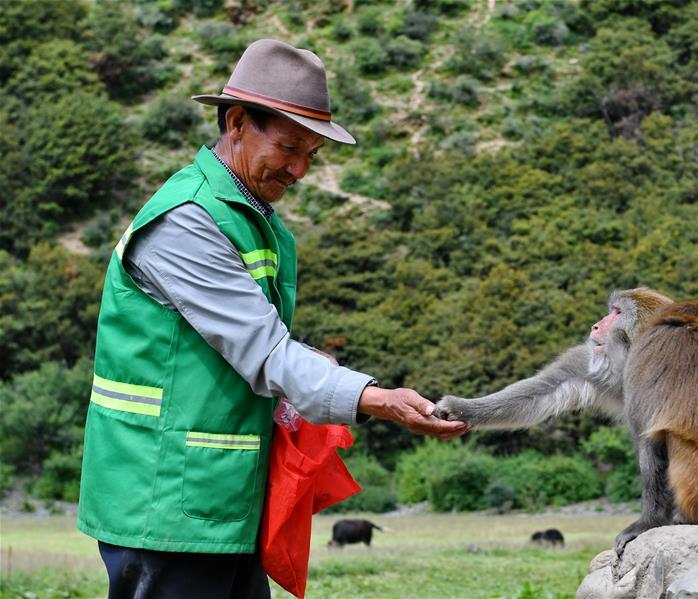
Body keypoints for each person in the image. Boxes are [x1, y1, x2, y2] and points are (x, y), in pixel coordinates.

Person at [77, 39, 468, 598]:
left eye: (313, 154)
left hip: (218, 496)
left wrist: (313, 363)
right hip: (162, 501)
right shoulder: (186, 222)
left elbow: (246, 339)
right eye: (289, 147)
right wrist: (377, 399)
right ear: (236, 122)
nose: (302, 169)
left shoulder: (248, 214)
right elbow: (263, 352)